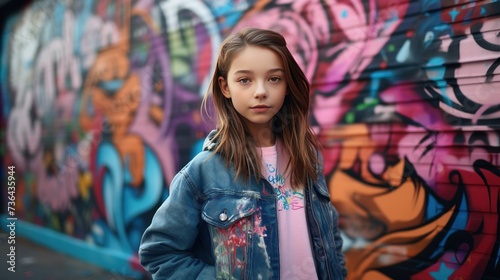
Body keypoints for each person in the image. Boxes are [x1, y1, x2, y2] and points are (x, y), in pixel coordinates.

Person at [139, 27, 347, 280]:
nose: (261, 91)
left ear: (288, 86)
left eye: (274, 79)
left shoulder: (307, 156)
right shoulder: (203, 172)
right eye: (245, 80)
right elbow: (160, 253)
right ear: (225, 87)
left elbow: (330, 237)